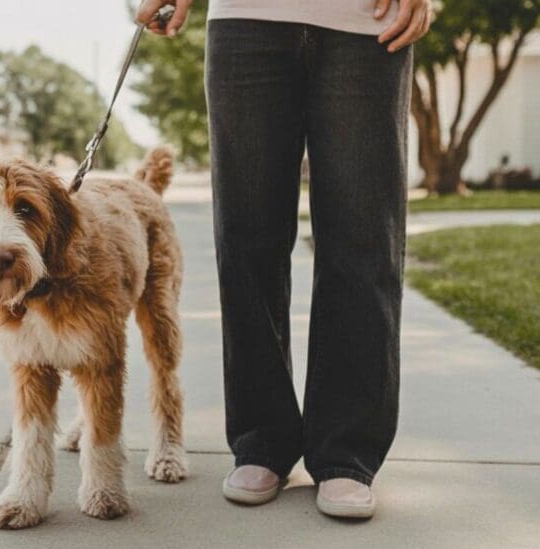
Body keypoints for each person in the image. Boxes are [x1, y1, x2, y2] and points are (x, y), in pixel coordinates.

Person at [136, 0, 431, 519]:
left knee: (364, 237)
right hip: (247, 19)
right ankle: (261, 440)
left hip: (365, 21)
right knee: (247, 238)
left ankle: (347, 453)